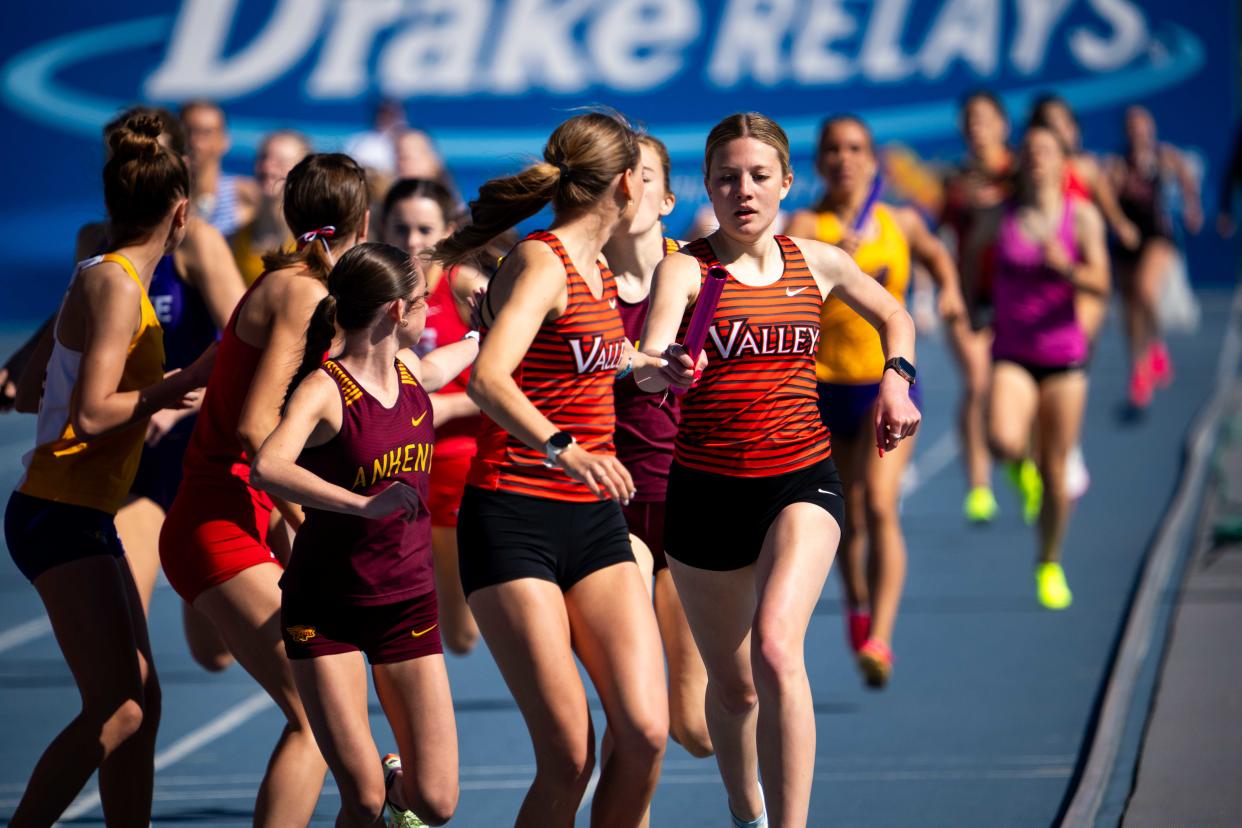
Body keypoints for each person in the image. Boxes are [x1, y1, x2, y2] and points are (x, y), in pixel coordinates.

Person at [641, 112, 919, 827]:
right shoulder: (685, 268)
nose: (744, 190)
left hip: (800, 480)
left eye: (760, 176)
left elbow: (895, 313)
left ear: (787, 183)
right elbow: (645, 362)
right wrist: (666, 367)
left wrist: (897, 378)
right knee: (733, 690)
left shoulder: (817, 262)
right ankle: (747, 812)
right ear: (706, 185)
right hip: (705, 495)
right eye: (728, 177)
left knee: (775, 646)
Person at [432, 111, 683, 827]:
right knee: (569, 754)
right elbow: (489, 376)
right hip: (514, 517)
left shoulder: (599, 268)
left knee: (644, 733)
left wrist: (654, 366)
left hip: (593, 523)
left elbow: (599, 360)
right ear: (629, 183)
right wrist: (563, 446)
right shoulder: (543, 262)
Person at [3, 112, 215, 826]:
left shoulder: (103, 274)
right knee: (119, 705)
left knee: (141, 702)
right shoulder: (120, 285)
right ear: (180, 212)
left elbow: (37, 383)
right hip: (59, 512)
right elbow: (93, 413)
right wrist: (170, 387)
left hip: (80, 509)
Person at [160, 152, 374, 825]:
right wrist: (308, 521)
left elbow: (210, 368)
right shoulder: (304, 295)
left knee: (334, 704)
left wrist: (146, 401)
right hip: (223, 520)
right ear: (363, 223)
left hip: (227, 514)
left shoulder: (282, 284)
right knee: (318, 715)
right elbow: (257, 431)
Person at [251, 242, 479, 827]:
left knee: (436, 803)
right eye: (424, 302)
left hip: (406, 602)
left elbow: (437, 368)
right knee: (360, 796)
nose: (432, 313)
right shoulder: (325, 389)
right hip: (326, 610)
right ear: (397, 313)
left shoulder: (408, 374)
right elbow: (268, 466)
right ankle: (381, 793)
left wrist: (483, 338)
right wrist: (362, 505)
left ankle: (399, 779)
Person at [786, 115, 964, 687]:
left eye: (855, 148)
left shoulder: (901, 220)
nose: (844, 158)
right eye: (832, 149)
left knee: (882, 507)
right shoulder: (804, 223)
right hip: (823, 386)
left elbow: (938, 257)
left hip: (888, 385)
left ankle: (880, 638)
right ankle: (857, 603)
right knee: (848, 517)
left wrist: (953, 294)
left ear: (872, 160)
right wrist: (832, 254)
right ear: (818, 163)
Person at [602, 133, 714, 759]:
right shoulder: (576, 286)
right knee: (635, 722)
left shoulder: (704, 277)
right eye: (615, 173)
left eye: (641, 174)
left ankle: (756, 803)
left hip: (696, 505)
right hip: (612, 511)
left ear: (668, 197)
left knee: (695, 730)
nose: (628, 186)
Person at [973, 126, 1109, 610]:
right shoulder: (999, 216)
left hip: (1064, 357)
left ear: (1062, 162)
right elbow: (970, 256)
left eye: (1045, 152)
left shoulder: (1083, 217)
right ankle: (1020, 467)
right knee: (1003, 438)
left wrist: (1067, 268)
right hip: (1012, 350)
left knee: (1057, 471)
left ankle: (1049, 561)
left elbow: (1101, 284)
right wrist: (975, 302)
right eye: (1028, 151)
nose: (1036, 159)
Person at [380, 177, 491, 654]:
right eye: (400, 228)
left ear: (448, 231)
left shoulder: (465, 286)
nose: (411, 241)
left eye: (424, 229)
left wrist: (448, 406)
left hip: (455, 467)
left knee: (462, 633)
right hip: (389, 469)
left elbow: (517, 377)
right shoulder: (370, 290)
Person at [939, 90, 1015, 523]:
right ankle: (980, 485)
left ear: (1003, 125)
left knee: (1012, 389)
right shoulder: (956, 184)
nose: (976, 127)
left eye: (985, 118)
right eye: (969, 120)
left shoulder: (1020, 175)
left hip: (1017, 300)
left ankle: (1020, 457)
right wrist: (941, 292)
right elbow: (941, 243)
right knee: (976, 381)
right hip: (968, 299)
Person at [1105, 105, 1203, 409]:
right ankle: (1137, 364)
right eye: (1132, 128)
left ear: (1151, 129)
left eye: (1142, 127)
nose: (1138, 133)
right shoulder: (1117, 164)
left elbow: (1187, 178)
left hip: (1158, 237)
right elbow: (1105, 195)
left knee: (1147, 290)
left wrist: (1192, 207)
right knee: (1130, 307)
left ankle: (1157, 344)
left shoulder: (1165, 157)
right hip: (1126, 241)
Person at [231, 130, 313, 285]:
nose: (267, 167)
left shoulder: (314, 242)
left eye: (280, 161)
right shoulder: (235, 236)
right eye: (263, 158)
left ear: (304, 171)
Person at [180, 100, 258, 236]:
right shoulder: (162, 194)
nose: (194, 141)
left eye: (206, 133)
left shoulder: (246, 196)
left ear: (225, 141)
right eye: (187, 131)